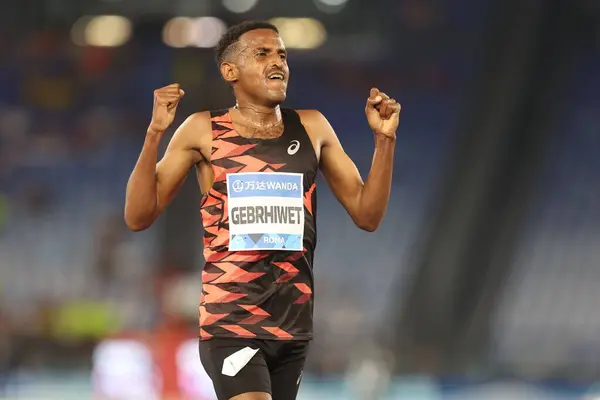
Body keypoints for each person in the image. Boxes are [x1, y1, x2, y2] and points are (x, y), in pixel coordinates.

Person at [124, 20, 400, 400]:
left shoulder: (312, 127)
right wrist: (154, 134)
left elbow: (367, 215)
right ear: (229, 71)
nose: (278, 62)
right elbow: (138, 216)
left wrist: (384, 141)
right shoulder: (203, 130)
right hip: (231, 321)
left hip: (292, 327)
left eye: (282, 54)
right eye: (263, 53)